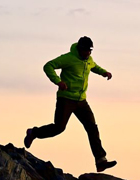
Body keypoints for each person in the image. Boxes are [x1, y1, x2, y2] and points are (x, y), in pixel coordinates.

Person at [24, 36, 117, 172]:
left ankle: (101, 161)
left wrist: (104, 72)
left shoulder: (88, 59)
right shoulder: (68, 58)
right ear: (80, 49)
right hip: (66, 99)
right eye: (86, 50)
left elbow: (93, 66)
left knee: (92, 128)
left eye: (90, 50)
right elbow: (48, 66)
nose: (88, 53)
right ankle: (34, 133)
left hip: (81, 101)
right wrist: (58, 81)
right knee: (59, 128)